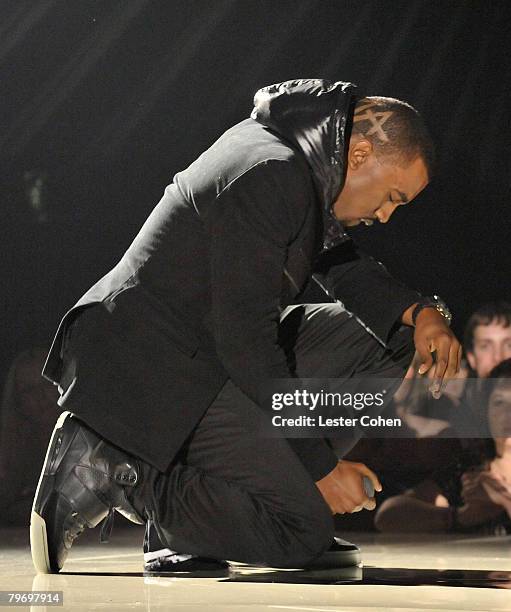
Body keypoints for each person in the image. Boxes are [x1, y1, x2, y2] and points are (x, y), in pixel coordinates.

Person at [30, 79, 460, 576]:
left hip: (206, 367)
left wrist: (421, 313)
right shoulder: (270, 172)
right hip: (150, 377)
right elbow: (246, 346)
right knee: (301, 531)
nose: (385, 215)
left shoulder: (301, 165)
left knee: (398, 342)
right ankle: (126, 475)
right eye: (392, 197)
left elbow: (339, 264)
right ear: (361, 153)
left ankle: (205, 513)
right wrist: (319, 470)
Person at [374, 359, 511, 534]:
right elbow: (387, 517)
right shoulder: (470, 467)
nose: (508, 413)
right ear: (486, 410)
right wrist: (461, 516)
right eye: (499, 403)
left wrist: (503, 499)